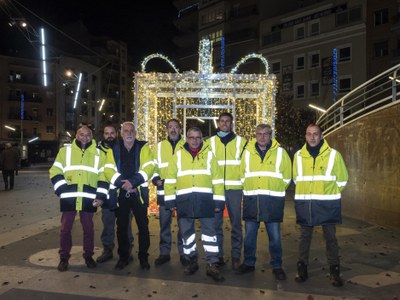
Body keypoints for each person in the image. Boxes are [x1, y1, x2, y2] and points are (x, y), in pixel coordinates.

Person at [164, 127, 225, 282]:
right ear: (186, 138)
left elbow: (218, 180)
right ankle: (192, 261)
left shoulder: (210, 155)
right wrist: (170, 201)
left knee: (210, 235)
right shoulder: (178, 156)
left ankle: (212, 264)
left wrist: (218, 202)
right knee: (187, 235)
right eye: (192, 137)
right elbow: (170, 180)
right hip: (184, 201)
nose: (195, 140)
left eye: (198, 137)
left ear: (202, 139)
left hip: (206, 201)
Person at [293, 123, 348, 287]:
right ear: (305, 136)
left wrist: (328, 194)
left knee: (331, 239)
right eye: (309, 134)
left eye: (315, 134)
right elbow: (297, 179)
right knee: (304, 239)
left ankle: (334, 272)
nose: (312, 137)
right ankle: (302, 269)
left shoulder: (333, 155)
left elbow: (342, 179)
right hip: (306, 205)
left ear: (322, 136)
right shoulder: (298, 156)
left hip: (327, 206)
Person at [49, 125, 108, 272]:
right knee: (65, 229)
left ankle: (88, 256)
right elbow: (55, 170)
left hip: (89, 198)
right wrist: (62, 189)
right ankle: (64, 257)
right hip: (69, 197)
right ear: (76, 135)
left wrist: (100, 196)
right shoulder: (65, 152)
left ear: (92, 137)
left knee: (88, 229)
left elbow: (103, 177)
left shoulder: (99, 154)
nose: (85, 137)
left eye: (88, 135)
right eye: (82, 134)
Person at [237, 124, 291, 281]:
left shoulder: (281, 153)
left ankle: (277, 266)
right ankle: (248, 263)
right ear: (255, 135)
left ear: (270, 135)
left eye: (265, 134)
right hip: (252, 200)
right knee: (249, 236)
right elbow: (242, 175)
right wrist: (249, 189)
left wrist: (276, 189)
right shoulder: (247, 153)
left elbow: (287, 177)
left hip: (272, 201)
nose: (262, 137)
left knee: (274, 237)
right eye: (259, 134)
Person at [104, 122, 155, 270]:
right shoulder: (113, 149)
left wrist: (133, 183)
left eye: (131, 130)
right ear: (121, 133)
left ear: (135, 132)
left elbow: (149, 167)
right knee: (121, 228)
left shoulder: (143, 147)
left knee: (143, 227)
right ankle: (123, 257)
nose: (129, 133)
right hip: (121, 194)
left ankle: (143, 258)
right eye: (125, 130)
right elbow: (108, 170)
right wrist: (123, 184)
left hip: (138, 193)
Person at [209, 112, 247, 269]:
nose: (224, 124)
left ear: (231, 124)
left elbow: (247, 166)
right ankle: (218, 257)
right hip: (216, 189)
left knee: (236, 224)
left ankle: (236, 256)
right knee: (215, 225)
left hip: (235, 190)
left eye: (227, 121)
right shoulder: (209, 142)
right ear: (218, 124)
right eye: (222, 121)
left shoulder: (242, 142)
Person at [96, 125, 133, 263]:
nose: (110, 136)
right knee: (108, 224)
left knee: (126, 225)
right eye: (107, 133)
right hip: (106, 194)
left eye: (112, 133)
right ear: (103, 135)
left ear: (117, 134)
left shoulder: (123, 148)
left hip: (123, 192)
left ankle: (127, 251)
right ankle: (107, 250)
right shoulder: (97, 151)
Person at [151, 119, 186, 266]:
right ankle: (164, 253)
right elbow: (151, 166)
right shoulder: (158, 147)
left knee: (183, 225)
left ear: (180, 129)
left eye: (176, 127)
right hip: (164, 191)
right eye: (170, 127)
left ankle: (184, 253)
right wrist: (155, 179)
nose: (173, 130)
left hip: (182, 190)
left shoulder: (186, 145)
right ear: (166, 130)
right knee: (164, 224)